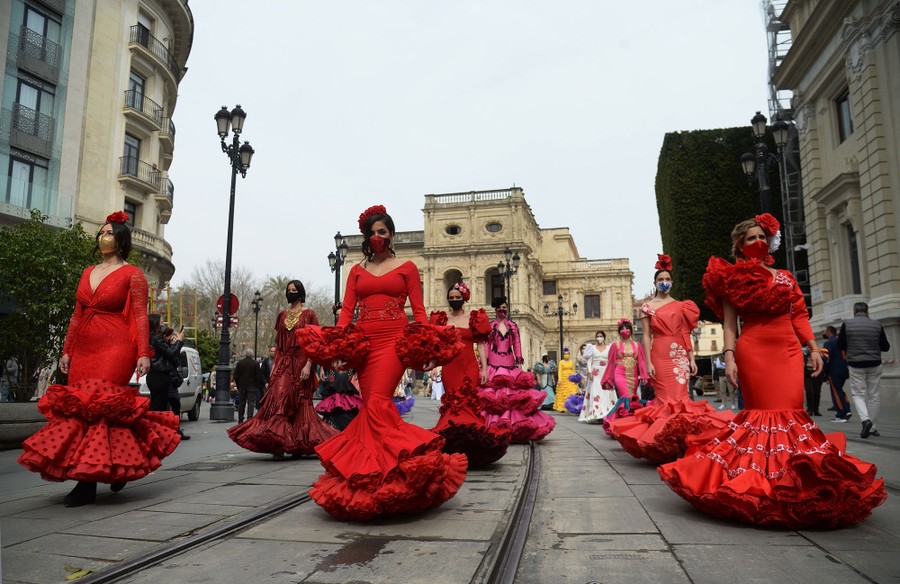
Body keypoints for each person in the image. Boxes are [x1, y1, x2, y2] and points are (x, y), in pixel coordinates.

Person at [658, 213, 886, 528]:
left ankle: (795, 485)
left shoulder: (786, 278)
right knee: (764, 416)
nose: (758, 242)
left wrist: (814, 348)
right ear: (739, 246)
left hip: (789, 352)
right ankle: (758, 487)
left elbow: (800, 316)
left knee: (793, 413)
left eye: (761, 237)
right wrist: (731, 357)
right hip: (754, 351)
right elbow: (729, 325)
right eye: (750, 238)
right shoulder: (730, 277)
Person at [296, 204, 467, 521]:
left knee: (377, 402)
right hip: (363, 341)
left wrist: (426, 349)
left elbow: (418, 311)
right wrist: (337, 349)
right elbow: (347, 313)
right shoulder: (356, 271)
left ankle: (391, 475)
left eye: (383, 232)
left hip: (393, 341)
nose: (377, 237)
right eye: (372, 233)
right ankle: (374, 477)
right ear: (366, 237)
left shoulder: (408, 267)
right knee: (369, 405)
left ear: (391, 235)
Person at [18, 211, 180, 507]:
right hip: (84, 347)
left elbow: (140, 317)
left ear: (120, 241)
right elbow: (77, 314)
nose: (102, 237)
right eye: (101, 232)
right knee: (82, 411)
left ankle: (87, 483)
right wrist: (66, 350)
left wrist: (143, 352)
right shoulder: (86, 272)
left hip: (116, 346)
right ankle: (121, 465)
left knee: (103, 407)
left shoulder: (133, 274)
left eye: (108, 233)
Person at [607, 255, 732, 463]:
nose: (664, 282)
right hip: (659, 353)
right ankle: (662, 444)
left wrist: (691, 358)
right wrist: (647, 362)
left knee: (681, 399)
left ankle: (680, 443)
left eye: (667, 279)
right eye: (660, 279)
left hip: (679, 357)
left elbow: (685, 333)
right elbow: (646, 336)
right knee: (664, 400)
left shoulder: (683, 306)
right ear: (655, 283)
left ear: (671, 282)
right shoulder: (648, 307)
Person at [229, 280, 338, 457]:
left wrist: (310, 365)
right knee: (280, 397)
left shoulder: (309, 314)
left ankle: (297, 445)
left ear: (301, 293)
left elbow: (315, 342)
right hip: (284, 363)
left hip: (302, 361)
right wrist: (274, 368)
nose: (291, 292)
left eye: (294, 290)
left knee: (301, 402)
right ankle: (278, 442)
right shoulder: (282, 315)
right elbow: (279, 345)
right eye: (289, 290)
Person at [429, 282, 511, 467]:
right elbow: (438, 346)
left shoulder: (474, 318)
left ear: (464, 298)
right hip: (450, 365)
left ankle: (470, 445)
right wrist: (435, 364)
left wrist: (484, 368)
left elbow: (480, 344)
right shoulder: (442, 319)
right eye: (451, 298)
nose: (454, 300)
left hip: (469, 365)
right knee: (452, 403)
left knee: (468, 402)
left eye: (458, 298)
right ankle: (453, 443)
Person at [480, 296, 556, 442]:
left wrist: (519, 363)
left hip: (510, 364)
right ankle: (495, 426)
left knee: (513, 397)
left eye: (504, 308)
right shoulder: (490, 326)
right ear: (495, 310)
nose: (502, 310)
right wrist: (485, 365)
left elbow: (517, 344)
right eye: (500, 308)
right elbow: (487, 345)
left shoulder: (513, 326)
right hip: (494, 365)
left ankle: (515, 428)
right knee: (494, 397)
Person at [839, 302, 891, 438]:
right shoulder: (877, 324)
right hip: (874, 363)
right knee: (874, 395)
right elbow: (885, 346)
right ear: (867, 311)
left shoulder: (847, 324)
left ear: (854, 311)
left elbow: (841, 345)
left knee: (858, 394)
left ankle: (865, 420)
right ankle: (873, 428)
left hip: (856, 364)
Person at [600, 319, 648, 427]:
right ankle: (622, 423)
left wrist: (644, 375)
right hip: (619, 373)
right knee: (625, 396)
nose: (624, 330)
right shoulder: (615, 345)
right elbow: (611, 363)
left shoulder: (637, 345)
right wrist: (608, 379)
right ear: (619, 331)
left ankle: (631, 422)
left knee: (632, 397)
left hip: (634, 374)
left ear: (631, 330)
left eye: (627, 328)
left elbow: (642, 361)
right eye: (622, 328)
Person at [160, 326, 190, 440]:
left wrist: (174, 345)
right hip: (167, 380)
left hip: (171, 380)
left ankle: (175, 430)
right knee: (169, 405)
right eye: (169, 335)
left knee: (175, 405)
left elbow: (176, 362)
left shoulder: (168, 346)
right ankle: (170, 431)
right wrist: (177, 343)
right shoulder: (162, 346)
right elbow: (171, 357)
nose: (171, 337)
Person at [578, 332, 613, 423]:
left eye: (601, 336)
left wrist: (610, 372)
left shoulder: (609, 348)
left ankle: (606, 412)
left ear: (604, 337)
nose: (599, 338)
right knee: (596, 392)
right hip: (595, 373)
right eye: (597, 336)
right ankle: (595, 413)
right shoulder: (592, 348)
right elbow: (589, 361)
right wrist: (589, 372)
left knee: (605, 392)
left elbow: (610, 361)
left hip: (605, 372)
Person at [822, 326, 851, 422]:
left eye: (824, 332)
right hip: (844, 370)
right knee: (839, 390)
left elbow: (826, 359)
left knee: (836, 392)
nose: (823, 333)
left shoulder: (828, 343)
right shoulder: (841, 340)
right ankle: (846, 409)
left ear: (829, 332)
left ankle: (841, 414)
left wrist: (825, 373)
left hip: (834, 371)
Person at [232, 348, 263, 424]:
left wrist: (238, 384)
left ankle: (240, 419)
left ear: (245, 354)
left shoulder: (240, 363)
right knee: (251, 403)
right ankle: (249, 418)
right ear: (252, 354)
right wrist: (257, 385)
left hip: (242, 386)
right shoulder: (255, 363)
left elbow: (236, 375)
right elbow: (258, 375)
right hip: (252, 386)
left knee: (241, 403)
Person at [803, 346, 823, 416]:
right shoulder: (804, 356)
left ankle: (816, 410)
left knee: (817, 393)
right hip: (808, 376)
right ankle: (810, 409)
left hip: (817, 376)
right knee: (809, 392)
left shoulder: (819, 355)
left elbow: (823, 365)